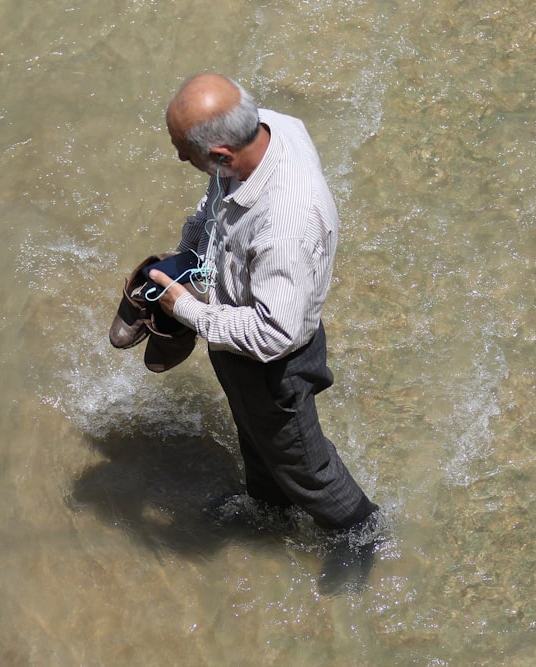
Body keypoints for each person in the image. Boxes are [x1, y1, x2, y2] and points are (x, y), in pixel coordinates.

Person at [146, 74, 382, 570]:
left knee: (304, 463)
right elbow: (215, 202)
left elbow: (275, 335)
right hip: (241, 338)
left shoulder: (287, 226)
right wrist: (189, 252)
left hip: (277, 360)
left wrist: (183, 309)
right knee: (255, 435)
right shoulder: (270, 128)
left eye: (183, 151)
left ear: (223, 154)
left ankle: (362, 535)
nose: (178, 159)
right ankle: (267, 509)